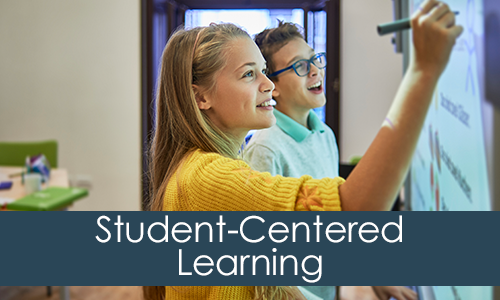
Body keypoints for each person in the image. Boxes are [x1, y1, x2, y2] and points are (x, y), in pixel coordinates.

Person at [143, 1, 463, 299]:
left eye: (264, 72)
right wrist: (423, 72)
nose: (268, 85)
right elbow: (353, 212)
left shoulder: (217, 163)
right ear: (201, 98)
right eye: (249, 74)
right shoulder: (209, 176)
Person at [245, 21, 416, 300]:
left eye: (315, 58)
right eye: (300, 65)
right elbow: (263, 261)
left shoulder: (324, 134)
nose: (315, 70)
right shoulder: (265, 150)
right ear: (272, 86)